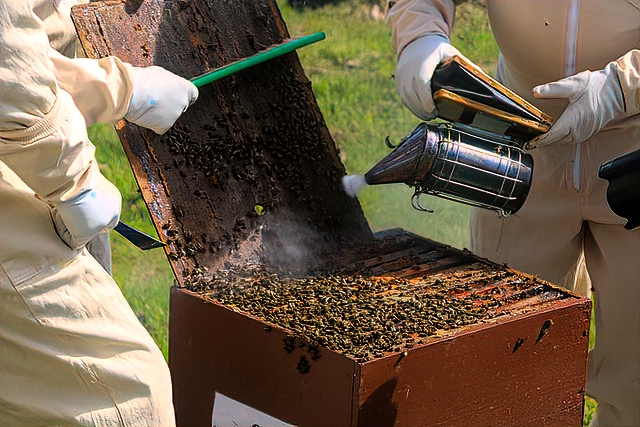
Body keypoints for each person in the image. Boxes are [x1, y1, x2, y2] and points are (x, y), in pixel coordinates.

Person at [387, 1, 640, 425]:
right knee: (508, 364)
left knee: (636, 381)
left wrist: (621, 86)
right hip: (518, 138)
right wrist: (420, 34)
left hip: (632, 149)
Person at [0, 0, 198, 425]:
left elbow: (22, 52)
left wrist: (116, 88)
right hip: (25, 165)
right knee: (126, 398)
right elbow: (8, 64)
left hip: (30, 151)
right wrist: (74, 182)